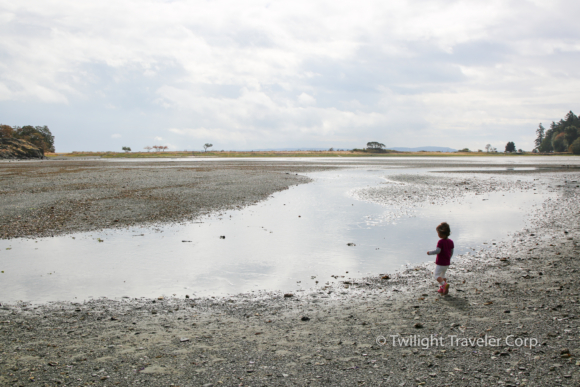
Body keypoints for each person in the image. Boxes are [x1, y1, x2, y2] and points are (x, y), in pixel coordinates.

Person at [427, 222, 454, 295]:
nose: (437, 234)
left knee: (436, 275)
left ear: (442, 234)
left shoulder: (441, 242)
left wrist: (429, 253)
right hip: (447, 262)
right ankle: (443, 288)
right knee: (443, 275)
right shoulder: (451, 241)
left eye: (438, 233)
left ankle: (444, 284)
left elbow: (438, 251)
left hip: (441, 262)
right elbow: (451, 252)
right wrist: (449, 258)